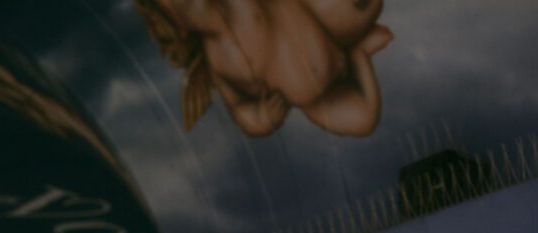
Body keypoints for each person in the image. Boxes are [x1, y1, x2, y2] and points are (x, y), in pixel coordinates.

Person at [134, 0, 393, 136]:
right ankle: (358, 56)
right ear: (178, 26)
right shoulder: (218, 62)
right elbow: (237, 108)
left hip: (325, 27)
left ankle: (352, 48)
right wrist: (263, 118)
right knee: (363, 118)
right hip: (320, 98)